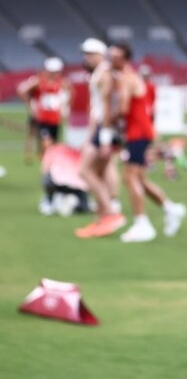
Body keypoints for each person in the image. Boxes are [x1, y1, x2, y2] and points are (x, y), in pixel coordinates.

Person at [109, 43, 187, 243]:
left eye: (115, 57)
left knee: (129, 177)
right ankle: (172, 209)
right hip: (141, 131)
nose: (111, 60)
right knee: (140, 178)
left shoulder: (127, 78)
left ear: (124, 59)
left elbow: (125, 108)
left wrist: (109, 118)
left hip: (137, 133)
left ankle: (142, 224)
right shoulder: (130, 77)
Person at [75, 37, 126, 239]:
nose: (85, 58)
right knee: (101, 170)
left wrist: (104, 136)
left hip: (106, 128)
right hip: (104, 127)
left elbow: (107, 106)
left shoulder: (104, 74)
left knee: (85, 171)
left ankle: (110, 213)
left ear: (99, 54)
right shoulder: (100, 73)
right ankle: (102, 218)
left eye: (89, 54)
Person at [17, 57, 71, 159]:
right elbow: (22, 91)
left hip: (55, 119)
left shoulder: (62, 82)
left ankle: (48, 165)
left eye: (55, 72)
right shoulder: (38, 81)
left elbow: (69, 94)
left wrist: (65, 108)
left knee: (53, 145)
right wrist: (31, 107)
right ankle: (33, 157)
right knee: (46, 143)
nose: (53, 74)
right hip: (42, 119)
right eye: (51, 71)